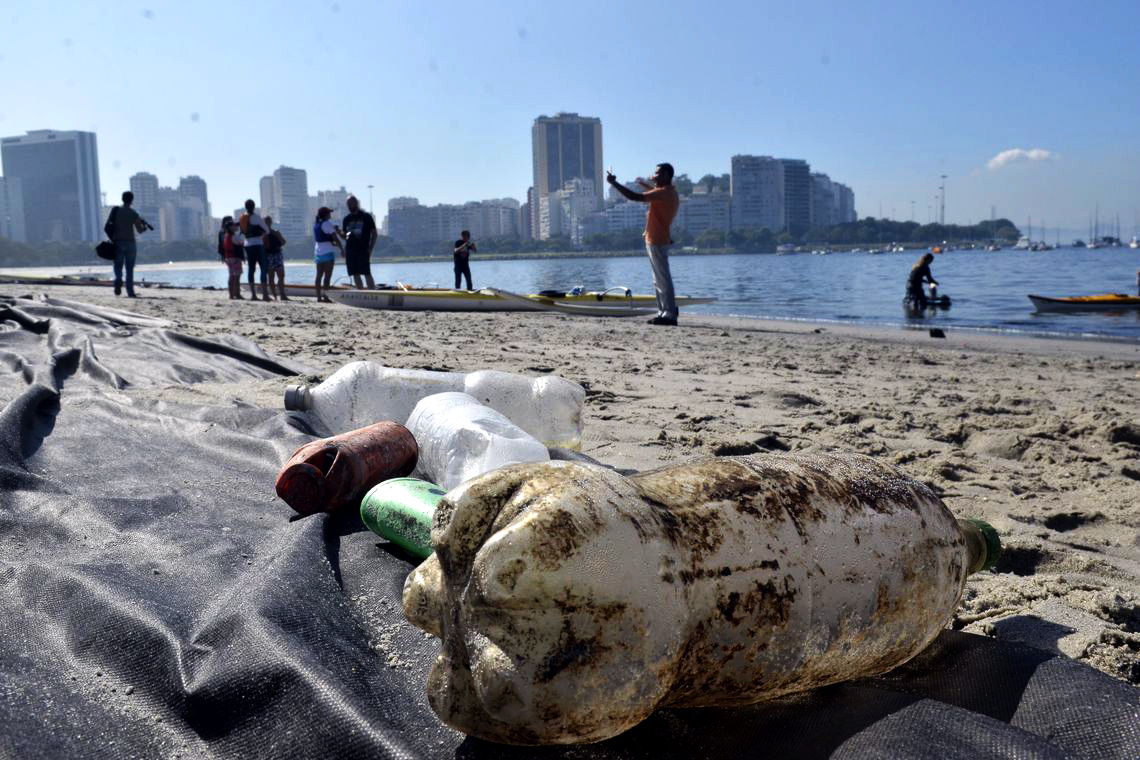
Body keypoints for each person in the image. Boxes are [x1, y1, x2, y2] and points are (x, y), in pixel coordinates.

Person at [606, 163, 681, 325]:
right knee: (659, 280)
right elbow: (655, 192)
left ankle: (669, 314)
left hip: (658, 240)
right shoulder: (669, 192)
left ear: (667, 175)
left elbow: (634, 197)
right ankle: (664, 312)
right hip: (657, 239)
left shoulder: (664, 193)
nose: (654, 176)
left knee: (663, 279)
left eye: (658, 174)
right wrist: (645, 185)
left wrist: (614, 183)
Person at [104, 191, 153, 297]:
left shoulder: (116, 211)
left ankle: (118, 279)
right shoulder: (133, 213)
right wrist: (144, 227)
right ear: (132, 200)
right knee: (129, 269)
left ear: (122, 199)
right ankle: (130, 292)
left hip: (118, 242)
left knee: (118, 265)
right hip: (130, 243)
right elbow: (139, 230)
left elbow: (108, 225)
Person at [340, 195, 377, 289]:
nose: (350, 205)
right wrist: (338, 233)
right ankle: (361, 293)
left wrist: (370, 248)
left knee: (366, 273)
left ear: (356, 203)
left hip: (363, 249)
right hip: (350, 251)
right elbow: (345, 237)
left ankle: (373, 293)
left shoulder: (366, 217)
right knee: (355, 274)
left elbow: (374, 234)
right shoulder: (346, 219)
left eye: (351, 203)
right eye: (348, 204)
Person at [239, 199, 269, 301]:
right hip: (257, 244)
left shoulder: (242, 217)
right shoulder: (256, 217)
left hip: (247, 244)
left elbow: (242, 231)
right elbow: (267, 230)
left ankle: (253, 295)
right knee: (263, 268)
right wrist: (262, 235)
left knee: (251, 269)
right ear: (253, 206)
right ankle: (265, 294)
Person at [313, 207, 342, 303]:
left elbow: (323, 238)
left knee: (319, 275)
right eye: (329, 213)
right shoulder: (327, 223)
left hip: (318, 253)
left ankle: (318, 297)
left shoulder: (316, 224)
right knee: (327, 276)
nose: (330, 214)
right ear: (325, 214)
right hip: (328, 253)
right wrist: (342, 249)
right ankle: (325, 296)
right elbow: (335, 238)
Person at [263, 216, 288, 300]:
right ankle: (274, 295)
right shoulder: (262, 234)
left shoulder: (276, 232)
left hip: (277, 254)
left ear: (271, 223)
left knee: (281, 275)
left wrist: (277, 236)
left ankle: (282, 295)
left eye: (269, 222)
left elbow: (283, 242)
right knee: (271, 277)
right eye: (266, 222)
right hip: (268, 256)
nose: (267, 224)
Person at [220, 218, 244, 300]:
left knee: (231, 276)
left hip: (228, 258)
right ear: (230, 227)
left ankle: (231, 294)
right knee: (237, 277)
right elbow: (240, 242)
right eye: (234, 225)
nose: (235, 226)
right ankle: (237, 294)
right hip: (235, 258)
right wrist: (242, 234)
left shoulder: (226, 235)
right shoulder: (233, 236)